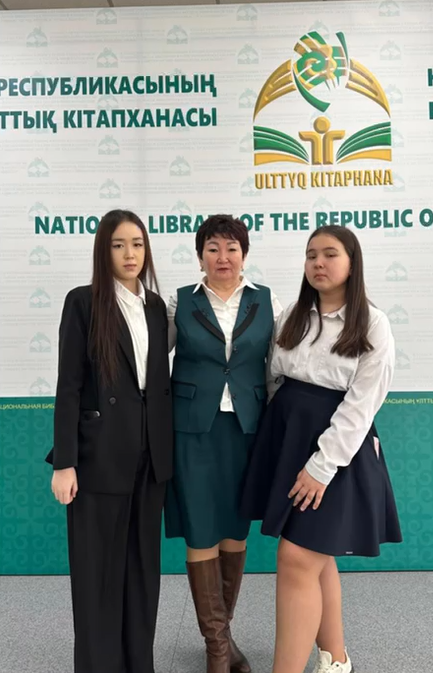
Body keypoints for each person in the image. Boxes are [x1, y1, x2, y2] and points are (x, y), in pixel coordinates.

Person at [241, 225, 402, 673]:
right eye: (311, 254)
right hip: (287, 440)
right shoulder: (292, 315)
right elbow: (274, 378)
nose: (318, 263)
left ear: (352, 262)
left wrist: (321, 465)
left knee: (296, 557)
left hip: (337, 451)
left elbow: (361, 405)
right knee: (316, 553)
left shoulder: (373, 323)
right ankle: (336, 659)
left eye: (330, 254)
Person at [45, 209, 173, 673]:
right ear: (104, 250)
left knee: (143, 573)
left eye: (137, 244)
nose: (130, 253)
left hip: (150, 457)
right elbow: (68, 386)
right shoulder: (83, 302)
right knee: (97, 576)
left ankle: (139, 664)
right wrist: (65, 462)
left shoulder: (155, 307)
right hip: (98, 457)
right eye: (119, 245)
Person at [165, 214, 282, 673]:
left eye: (232, 248)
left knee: (235, 530)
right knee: (200, 530)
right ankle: (218, 650)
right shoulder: (180, 303)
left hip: (248, 430)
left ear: (244, 255)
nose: (223, 257)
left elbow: (282, 364)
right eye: (212, 248)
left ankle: (222, 637)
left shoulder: (268, 302)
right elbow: (148, 358)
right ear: (200, 257)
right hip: (193, 431)